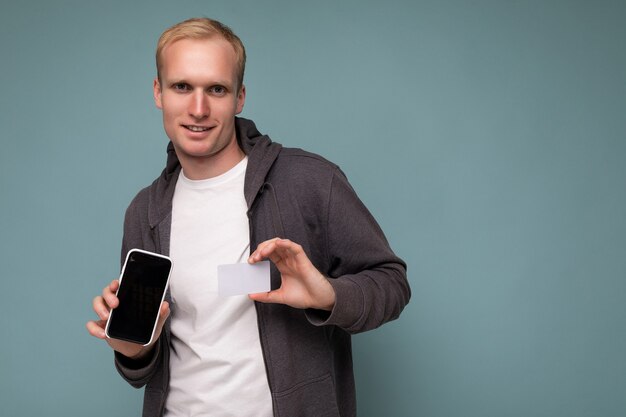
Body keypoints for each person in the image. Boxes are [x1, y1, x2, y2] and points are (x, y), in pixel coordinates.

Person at [86, 17, 410, 417]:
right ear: (159, 92)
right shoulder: (146, 211)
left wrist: (326, 295)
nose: (198, 108)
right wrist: (134, 348)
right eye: (182, 86)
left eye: (216, 89)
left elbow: (392, 283)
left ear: (239, 98)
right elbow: (142, 370)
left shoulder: (308, 180)